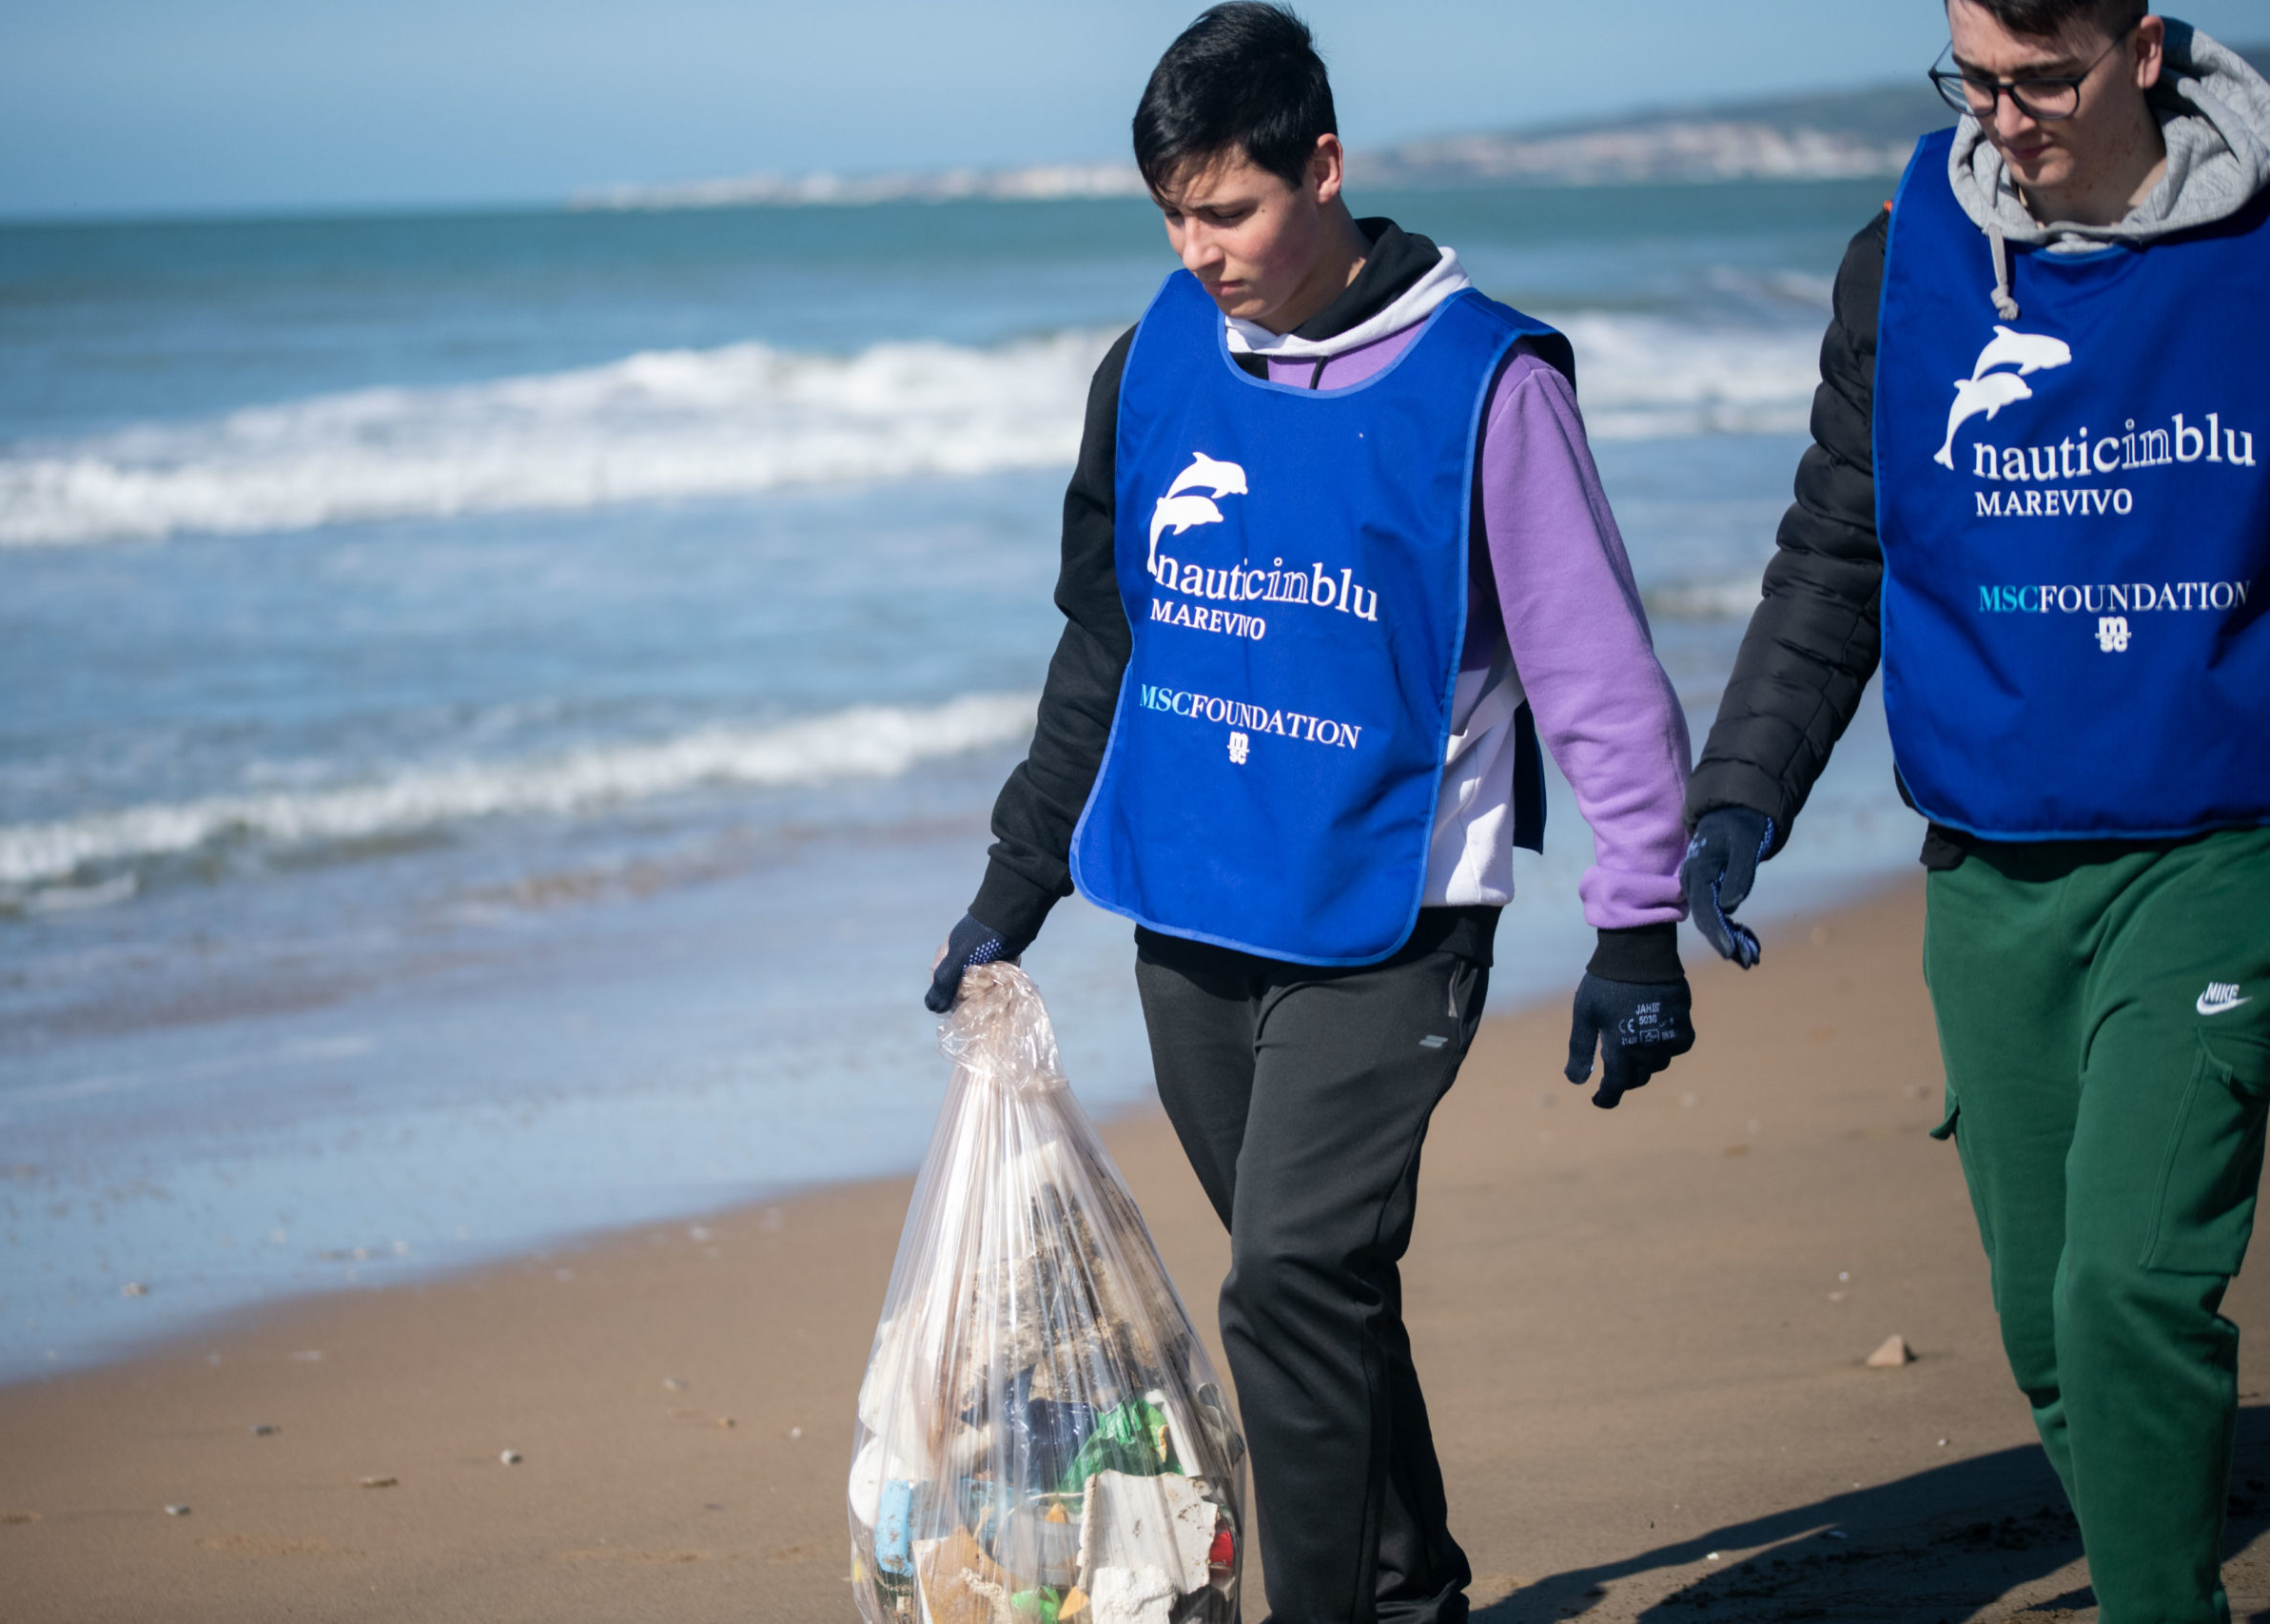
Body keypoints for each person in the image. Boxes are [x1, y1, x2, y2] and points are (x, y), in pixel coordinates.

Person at [922, 6, 1696, 1617]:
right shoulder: (1155, 361)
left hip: (1392, 914)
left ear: (1324, 168)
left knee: (1286, 1278)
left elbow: (1596, 669)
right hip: (1194, 910)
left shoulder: (1487, 384)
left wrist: (1637, 923)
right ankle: (1413, 1594)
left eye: (1231, 211)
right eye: (1171, 216)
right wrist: (1016, 880)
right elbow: (1107, 644)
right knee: (1318, 1295)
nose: (1198, 252)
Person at [1680, 3, 2270, 1617]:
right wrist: (1740, 798)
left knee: (2127, 1291)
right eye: (1976, 80)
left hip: (2218, 852)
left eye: (2044, 80)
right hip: (1990, 868)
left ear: (2138, 48)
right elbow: (1837, 550)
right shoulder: (1906, 259)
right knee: (2043, 1329)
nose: (2004, 121)